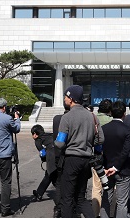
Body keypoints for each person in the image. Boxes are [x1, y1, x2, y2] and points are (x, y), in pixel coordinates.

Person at [54, 85, 105, 218]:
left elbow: (60, 143)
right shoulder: (92, 116)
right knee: (81, 198)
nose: (64, 99)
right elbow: (100, 139)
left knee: (67, 199)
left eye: (65, 97)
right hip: (86, 161)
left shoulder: (67, 117)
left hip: (71, 160)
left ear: (71, 99)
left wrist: (52, 141)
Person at [101, 100, 130, 218]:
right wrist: (116, 167)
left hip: (106, 169)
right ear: (124, 113)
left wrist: (105, 167)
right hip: (122, 169)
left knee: (106, 199)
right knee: (122, 202)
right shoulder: (127, 129)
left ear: (111, 112)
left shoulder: (104, 129)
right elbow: (125, 151)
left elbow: (99, 150)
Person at [92, 99, 113, 217]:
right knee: (111, 187)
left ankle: (95, 214)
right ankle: (109, 213)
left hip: (96, 157)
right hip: (109, 157)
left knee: (96, 188)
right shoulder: (111, 121)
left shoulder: (93, 118)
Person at [30, 124, 58, 202]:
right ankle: (39, 193)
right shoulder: (49, 135)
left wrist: (43, 159)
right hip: (59, 154)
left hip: (51, 157)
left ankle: (63, 194)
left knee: (53, 176)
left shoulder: (38, 140)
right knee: (49, 175)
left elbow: (43, 153)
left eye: (32, 134)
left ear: (35, 134)